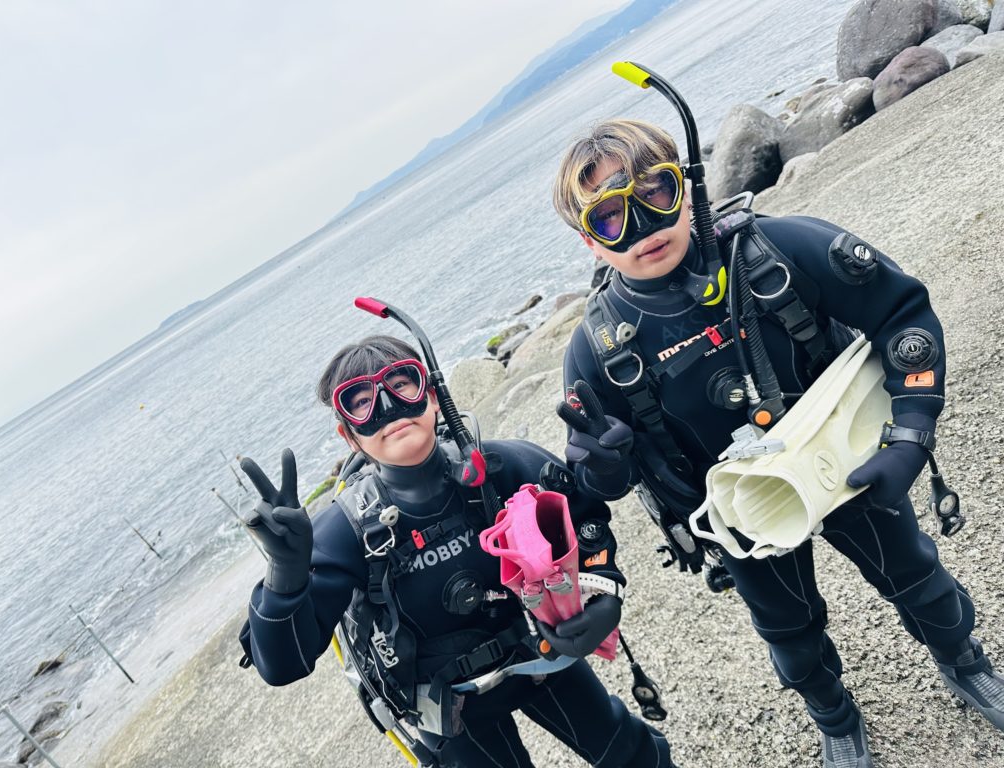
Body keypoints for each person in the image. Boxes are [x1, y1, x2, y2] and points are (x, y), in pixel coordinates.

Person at [551, 117, 1004, 768]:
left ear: (689, 185)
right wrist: (601, 469)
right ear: (589, 241)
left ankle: (965, 662)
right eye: (610, 217)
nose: (643, 226)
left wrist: (910, 435)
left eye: (655, 193)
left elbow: (901, 313)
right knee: (789, 632)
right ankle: (834, 718)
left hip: (842, 461)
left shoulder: (777, 249)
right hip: (740, 510)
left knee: (916, 575)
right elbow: (595, 490)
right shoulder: (595, 350)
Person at [238, 334, 678, 768]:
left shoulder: (503, 467)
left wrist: (605, 591)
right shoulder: (346, 531)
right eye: (362, 402)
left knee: (631, 754)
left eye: (401, 384)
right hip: (447, 704)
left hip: (537, 649)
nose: (388, 407)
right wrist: (285, 577)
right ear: (349, 436)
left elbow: (585, 519)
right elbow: (283, 665)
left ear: (432, 395)